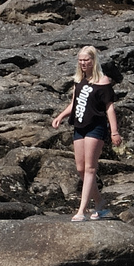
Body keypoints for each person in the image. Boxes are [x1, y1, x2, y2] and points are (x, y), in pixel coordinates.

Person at [50, 45, 122, 221]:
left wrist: (115, 132)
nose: (83, 63)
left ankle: (81, 210)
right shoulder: (79, 80)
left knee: (90, 168)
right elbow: (74, 104)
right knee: (81, 168)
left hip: (96, 127)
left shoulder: (103, 82)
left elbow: (109, 108)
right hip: (79, 126)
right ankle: (100, 203)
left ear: (93, 61)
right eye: (81, 60)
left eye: (86, 60)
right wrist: (60, 116)